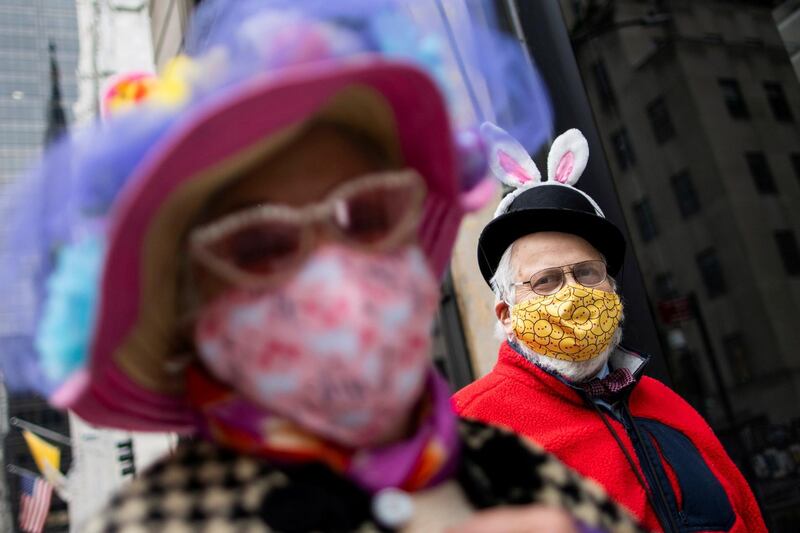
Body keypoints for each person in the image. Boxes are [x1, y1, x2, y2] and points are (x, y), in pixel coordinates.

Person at [0, 2, 644, 532]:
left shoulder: (508, 462)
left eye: (366, 215)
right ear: (191, 308)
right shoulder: (163, 522)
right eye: (258, 247)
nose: (335, 273)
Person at [453, 123, 767, 533]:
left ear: (613, 290)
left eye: (587, 273)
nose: (573, 293)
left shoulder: (669, 408)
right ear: (506, 314)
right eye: (545, 280)